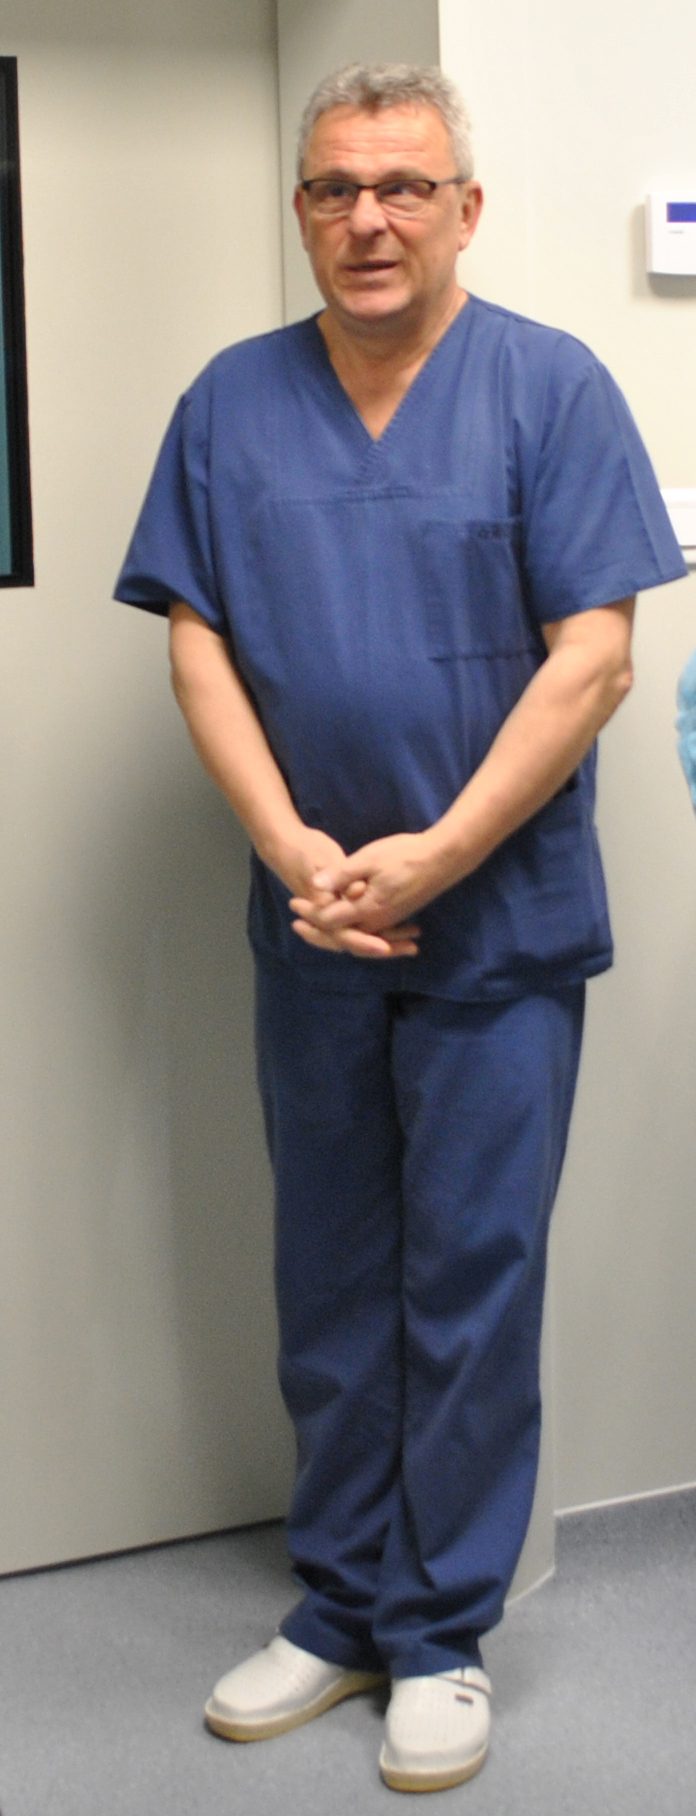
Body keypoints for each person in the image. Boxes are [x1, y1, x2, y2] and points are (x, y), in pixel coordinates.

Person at [114, 63, 686, 1794]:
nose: (369, 219)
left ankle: (440, 1632)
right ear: (303, 209)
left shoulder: (550, 388)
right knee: (333, 1271)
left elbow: (596, 657)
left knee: (472, 1276)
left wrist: (435, 854)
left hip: (497, 925)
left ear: (464, 209)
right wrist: (292, 843)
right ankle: (342, 1605)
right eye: (336, 189)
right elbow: (198, 639)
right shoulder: (233, 402)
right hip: (315, 921)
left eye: (404, 188)